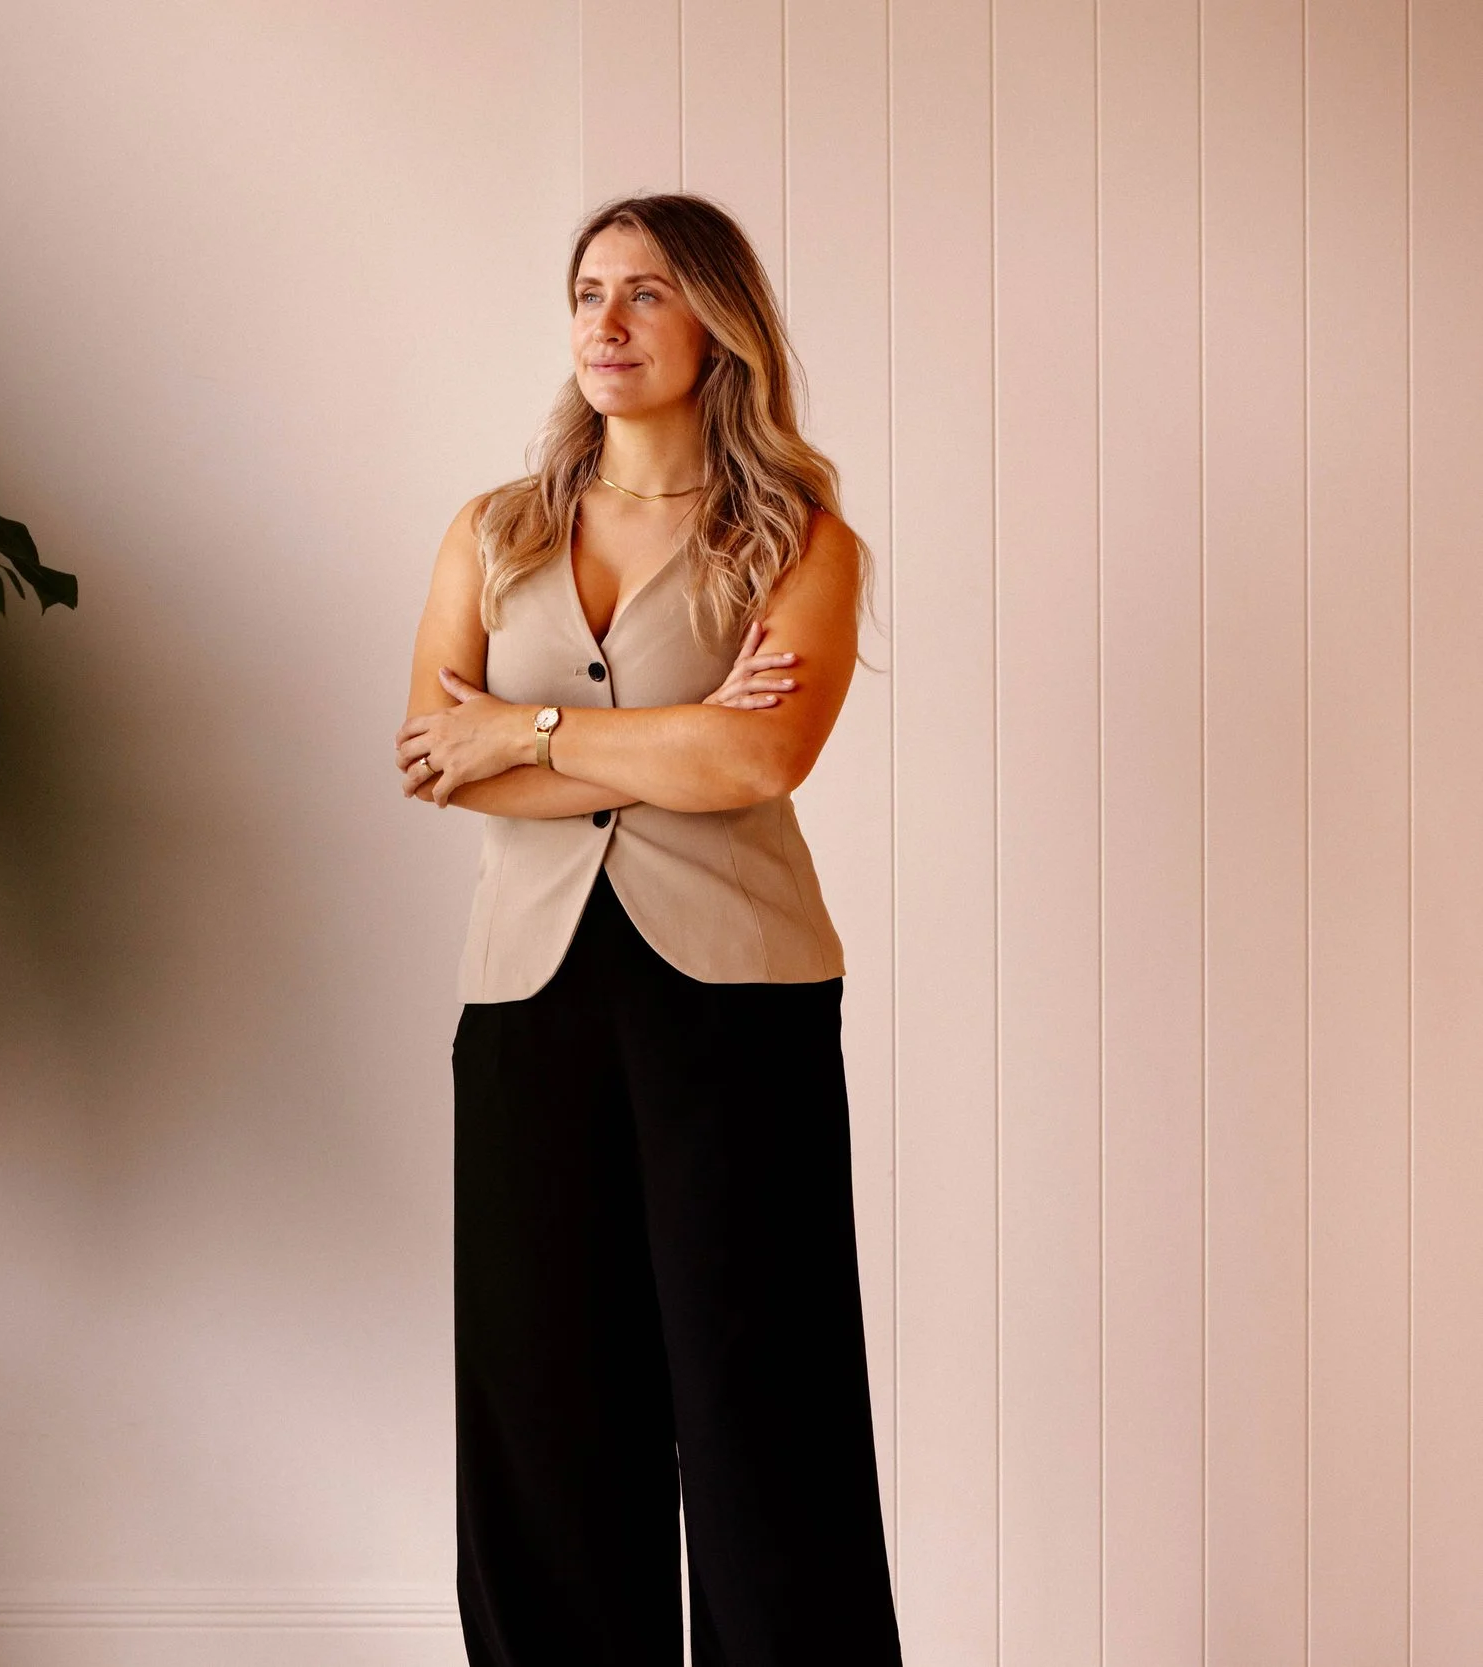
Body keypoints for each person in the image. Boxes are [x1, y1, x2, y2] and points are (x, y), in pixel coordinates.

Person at [393, 193, 902, 1666]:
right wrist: (653, 736)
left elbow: (758, 762)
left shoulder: (800, 539)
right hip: (525, 1004)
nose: (606, 323)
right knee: (544, 1406)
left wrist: (528, 728)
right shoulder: (494, 531)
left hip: (738, 1001)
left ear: (717, 326)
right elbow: (430, 754)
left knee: (763, 1408)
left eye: (647, 295)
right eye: (588, 292)